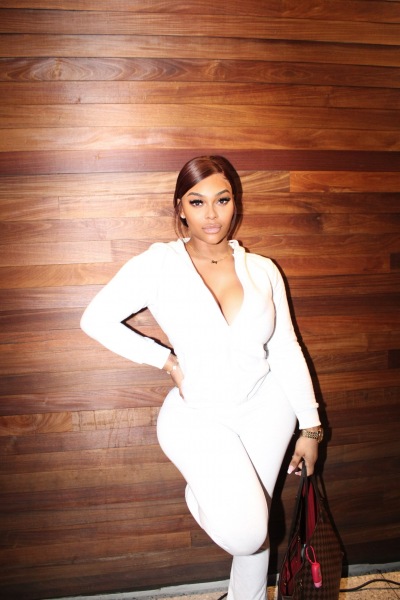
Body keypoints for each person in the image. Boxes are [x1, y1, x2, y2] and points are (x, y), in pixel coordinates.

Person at [80, 155, 323, 600]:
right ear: (180, 208)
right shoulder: (160, 263)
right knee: (248, 532)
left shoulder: (263, 269)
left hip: (268, 408)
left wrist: (311, 426)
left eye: (222, 200)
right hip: (198, 414)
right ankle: (205, 495)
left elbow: (286, 347)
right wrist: (165, 361)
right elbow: (95, 319)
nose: (212, 214)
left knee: (260, 525)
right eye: (197, 202)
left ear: (235, 204)